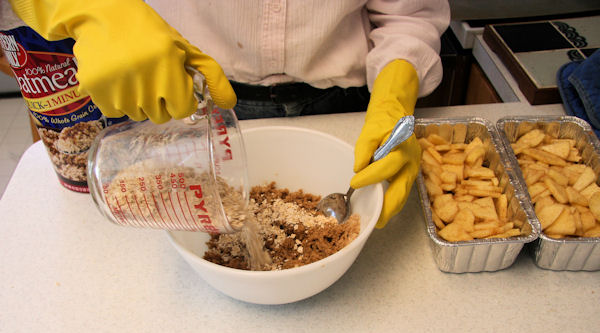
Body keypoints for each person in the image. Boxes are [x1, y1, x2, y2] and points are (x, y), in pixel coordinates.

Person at [8, 0, 450, 228]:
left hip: (347, 103)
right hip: (185, 97)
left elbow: (409, 13)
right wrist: (93, 11)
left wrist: (396, 93)